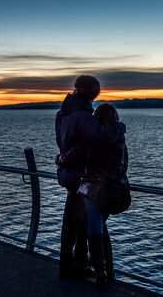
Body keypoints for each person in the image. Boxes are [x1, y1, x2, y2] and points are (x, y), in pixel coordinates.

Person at [55, 75, 126, 279]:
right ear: (92, 92)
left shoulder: (62, 114)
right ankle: (73, 265)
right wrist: (120, 127)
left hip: (70, 173)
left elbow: (63, 144)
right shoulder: (83, 117)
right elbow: (104, 137)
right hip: (83, 177)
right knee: (78, 221)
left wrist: (61, 159)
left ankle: (78, 261)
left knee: (77, 220)